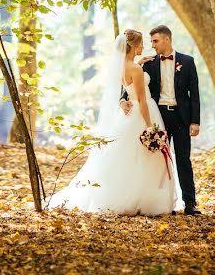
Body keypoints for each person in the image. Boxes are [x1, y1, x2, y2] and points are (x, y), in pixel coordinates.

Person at [47, 29, 180, 215]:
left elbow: (127, 89)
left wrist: (134, 72)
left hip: (127, 116)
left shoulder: (123, 67)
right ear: (133, 46)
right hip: (143, 112)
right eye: (141, 44)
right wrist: (149, 125)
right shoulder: (136, 69)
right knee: (147, 159)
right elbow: (141, 100)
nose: (144, 46)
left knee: (127, 157)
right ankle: (143, 198)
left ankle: (127, 195)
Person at [123, 25, 201, 215]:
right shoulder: (147, 64)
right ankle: (164, 203)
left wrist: (195, 121)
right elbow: (127, 86)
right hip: (160, 117)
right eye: (150, 42)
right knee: (159, 162)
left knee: (183, 159)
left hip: (182, 117)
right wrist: (121, 101)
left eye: (155, 41)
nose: (152, 45)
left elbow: (195, 94)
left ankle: (190, 203)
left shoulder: (188, 62)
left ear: (167, 39)